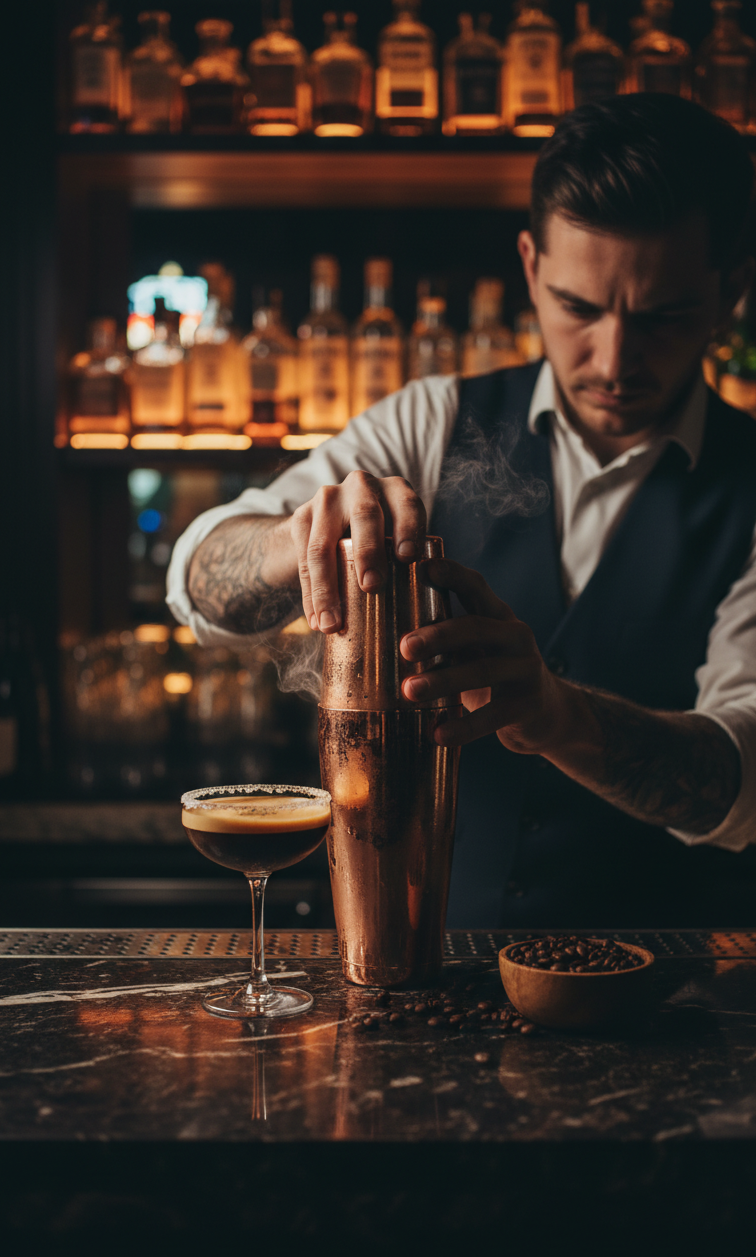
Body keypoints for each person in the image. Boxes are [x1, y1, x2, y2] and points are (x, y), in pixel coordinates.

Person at [168, 94, 756, 928]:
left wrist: (557, 715)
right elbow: (198, 584)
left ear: (732, 289)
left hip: (663, 1004)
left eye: (663, 316)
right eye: (578, 308)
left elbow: (739, 780)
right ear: (529, 267)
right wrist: (293, 543)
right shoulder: (431, 423)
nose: (614, 360)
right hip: (423, 976)